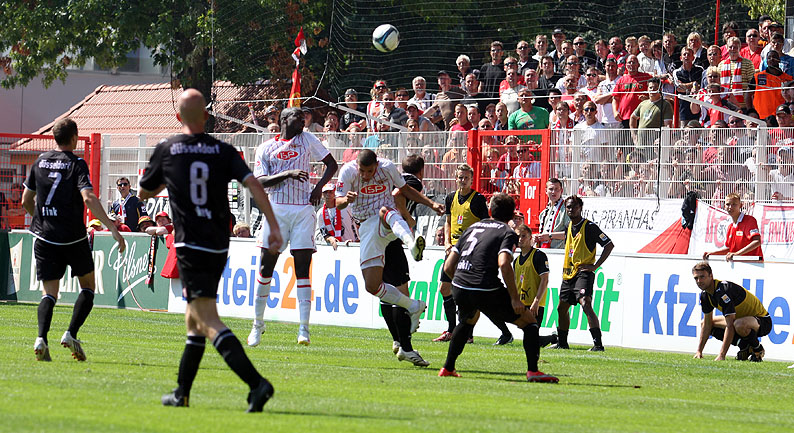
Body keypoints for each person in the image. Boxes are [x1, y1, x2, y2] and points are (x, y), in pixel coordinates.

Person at [139, 89, 282, 411]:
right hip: (218, 243)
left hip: (190, 243)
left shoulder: (168, 148)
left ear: (178, 117)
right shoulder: (223, 150)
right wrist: (273, 225)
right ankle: (182, 393)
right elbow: (253, 184)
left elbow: (145, 191)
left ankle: (257, 384)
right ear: (206, 115)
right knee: (194, 321)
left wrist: (167, 180)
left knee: (206, 319)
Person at [22, 117, 126, 363]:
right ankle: (70, 333)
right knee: (88, 287)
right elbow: (88, 198)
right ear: (74, 138)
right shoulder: (77, 164)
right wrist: (112, 227)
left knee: (49, 293)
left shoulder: (40, 161)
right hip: (72, 238)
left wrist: (42, 221)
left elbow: (26, 200)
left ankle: (41, 339)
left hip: (45, 237)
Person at [438, 193, 558, 383]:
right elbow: (503, 263)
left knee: (468, 320)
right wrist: (514, 298)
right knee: (529, 322)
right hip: (485, 287)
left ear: (490, 211)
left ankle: (448, 367)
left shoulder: (472, 228)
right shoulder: (507, 232)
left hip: (460, 285)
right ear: (511, 214)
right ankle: (533, 371)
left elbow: (448, 266)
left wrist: (461, 284)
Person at [247, 107, 338, 347]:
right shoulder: (266, 148)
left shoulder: (307, 139)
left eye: (304, 117)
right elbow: (259, 181)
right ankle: (257, 323)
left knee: (302, 267)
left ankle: (304, 328)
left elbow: (331, 164)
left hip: (302, 210)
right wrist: (287, 174)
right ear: (285, 120)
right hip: (276, 210)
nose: (303, 121)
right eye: (298, 117)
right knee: (266, 267)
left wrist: (318, 188)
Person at [336, 149, 443, 338]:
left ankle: (411, 243)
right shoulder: (347, 171)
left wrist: (431, 204)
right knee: (373, 286)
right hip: (366, 227)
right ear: (357, 166)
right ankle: (413, 307)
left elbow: (404, 190)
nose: (365, 176)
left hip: (388, 223)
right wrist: (346, 199)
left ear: (376, 165)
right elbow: (337, 202)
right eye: (362, 171)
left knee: (385, 210)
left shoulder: (387, 167)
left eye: (370, 171)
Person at [434, 164, 514, 345]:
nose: (463, 180)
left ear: (471, 180)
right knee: (445, 288)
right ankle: (452, 330)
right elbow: (448, 221)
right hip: (454, 250)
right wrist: (447, 242)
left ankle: (499, 332)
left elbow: (485, 225)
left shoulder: (477, 199)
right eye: (460, 177)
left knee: (476, 297)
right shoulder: (450, 198)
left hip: (470, 252)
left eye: (466, 178)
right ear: (456, 178)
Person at [381, 154, 436, 367]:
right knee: (402, 294)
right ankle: (406, 347)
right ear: (421, 171)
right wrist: (407, 217)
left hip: (380, 238)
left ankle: (398, 340)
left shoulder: (394, 178)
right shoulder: (412, 182)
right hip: (393, 239)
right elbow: (397, 196)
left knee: (387, 293)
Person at [551, 195, 614, 351]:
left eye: (574, 206)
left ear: (580, 208)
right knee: (561, 308)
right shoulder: (568, 227)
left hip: (583, 272)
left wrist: (595, 266)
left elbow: (609, 245)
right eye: (568, 207)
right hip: (568, 273)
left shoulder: (590, 227)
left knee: (585, 303)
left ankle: (598, 344)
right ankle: (562, 343)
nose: (571, 209)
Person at [691, 261, 771, 362]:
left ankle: (757, 349)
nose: (699, 281)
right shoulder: (705, 295)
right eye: (696, 278)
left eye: (702, 277)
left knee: (738, 324)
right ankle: (744, 345)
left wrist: (722, 355)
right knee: (705, 323)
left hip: (763, 321)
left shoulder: (723, 290)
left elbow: (730, 325)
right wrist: (699, 351)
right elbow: (707, 325)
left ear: (711, 276)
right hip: (740, 320)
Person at [514, 224, 558, 348]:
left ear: (530, 238)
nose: (520, 239)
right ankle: (554, 338)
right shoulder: (516, 261)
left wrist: (536, 301)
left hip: (535, 304)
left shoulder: (538, 256)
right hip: (522, 304)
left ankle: (554, 338)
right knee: (530, 339)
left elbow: (545, 279)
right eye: (518, 236)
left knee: (530, 341)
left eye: (524, 236)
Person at [702, 193, 763, 261]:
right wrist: (713, 253)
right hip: (738, 264)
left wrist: (737, 254)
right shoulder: (730, 227)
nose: (730, 207)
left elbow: (757, 241)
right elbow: (730, 250)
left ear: (741, 205)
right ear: (724, 206)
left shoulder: (750, 220)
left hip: (754, 264)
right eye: (728, 204)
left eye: (734, 204)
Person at [316, 182, 357, 248]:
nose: (328, 195)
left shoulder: (346, 207)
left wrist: (357, 239)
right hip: (336, 247)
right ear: (322, 195)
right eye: (325, 192)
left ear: (335, 193)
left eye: (330, 192)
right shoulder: (320, 213)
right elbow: (324, 233)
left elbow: (357, 222)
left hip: (352, 245)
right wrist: (331, 239)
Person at [534, 178, 570, 249]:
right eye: (551, 189)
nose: (553, 192)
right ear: (546, 191)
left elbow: (571, 233)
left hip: (559, 251)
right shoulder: (543, 213)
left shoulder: (566, 210)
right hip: (544, 250)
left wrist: (550, 236)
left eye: (557, 189)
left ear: (561, 191)